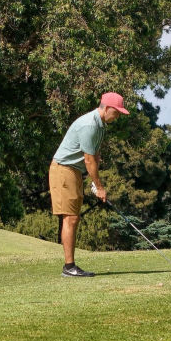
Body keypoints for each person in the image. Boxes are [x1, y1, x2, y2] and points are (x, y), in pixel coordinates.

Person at [49, 92, 129, 277]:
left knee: (73, 217)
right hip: (63, 169)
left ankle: (70, 267)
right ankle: (69, 268)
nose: (117, 117)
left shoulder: (101, 126)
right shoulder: (90, 125)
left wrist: (91, 180)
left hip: (74, 171)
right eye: (116, 113)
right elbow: (88, 159)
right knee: (71, 218)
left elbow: (95, 155)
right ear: (107, 108)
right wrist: (99, 186)